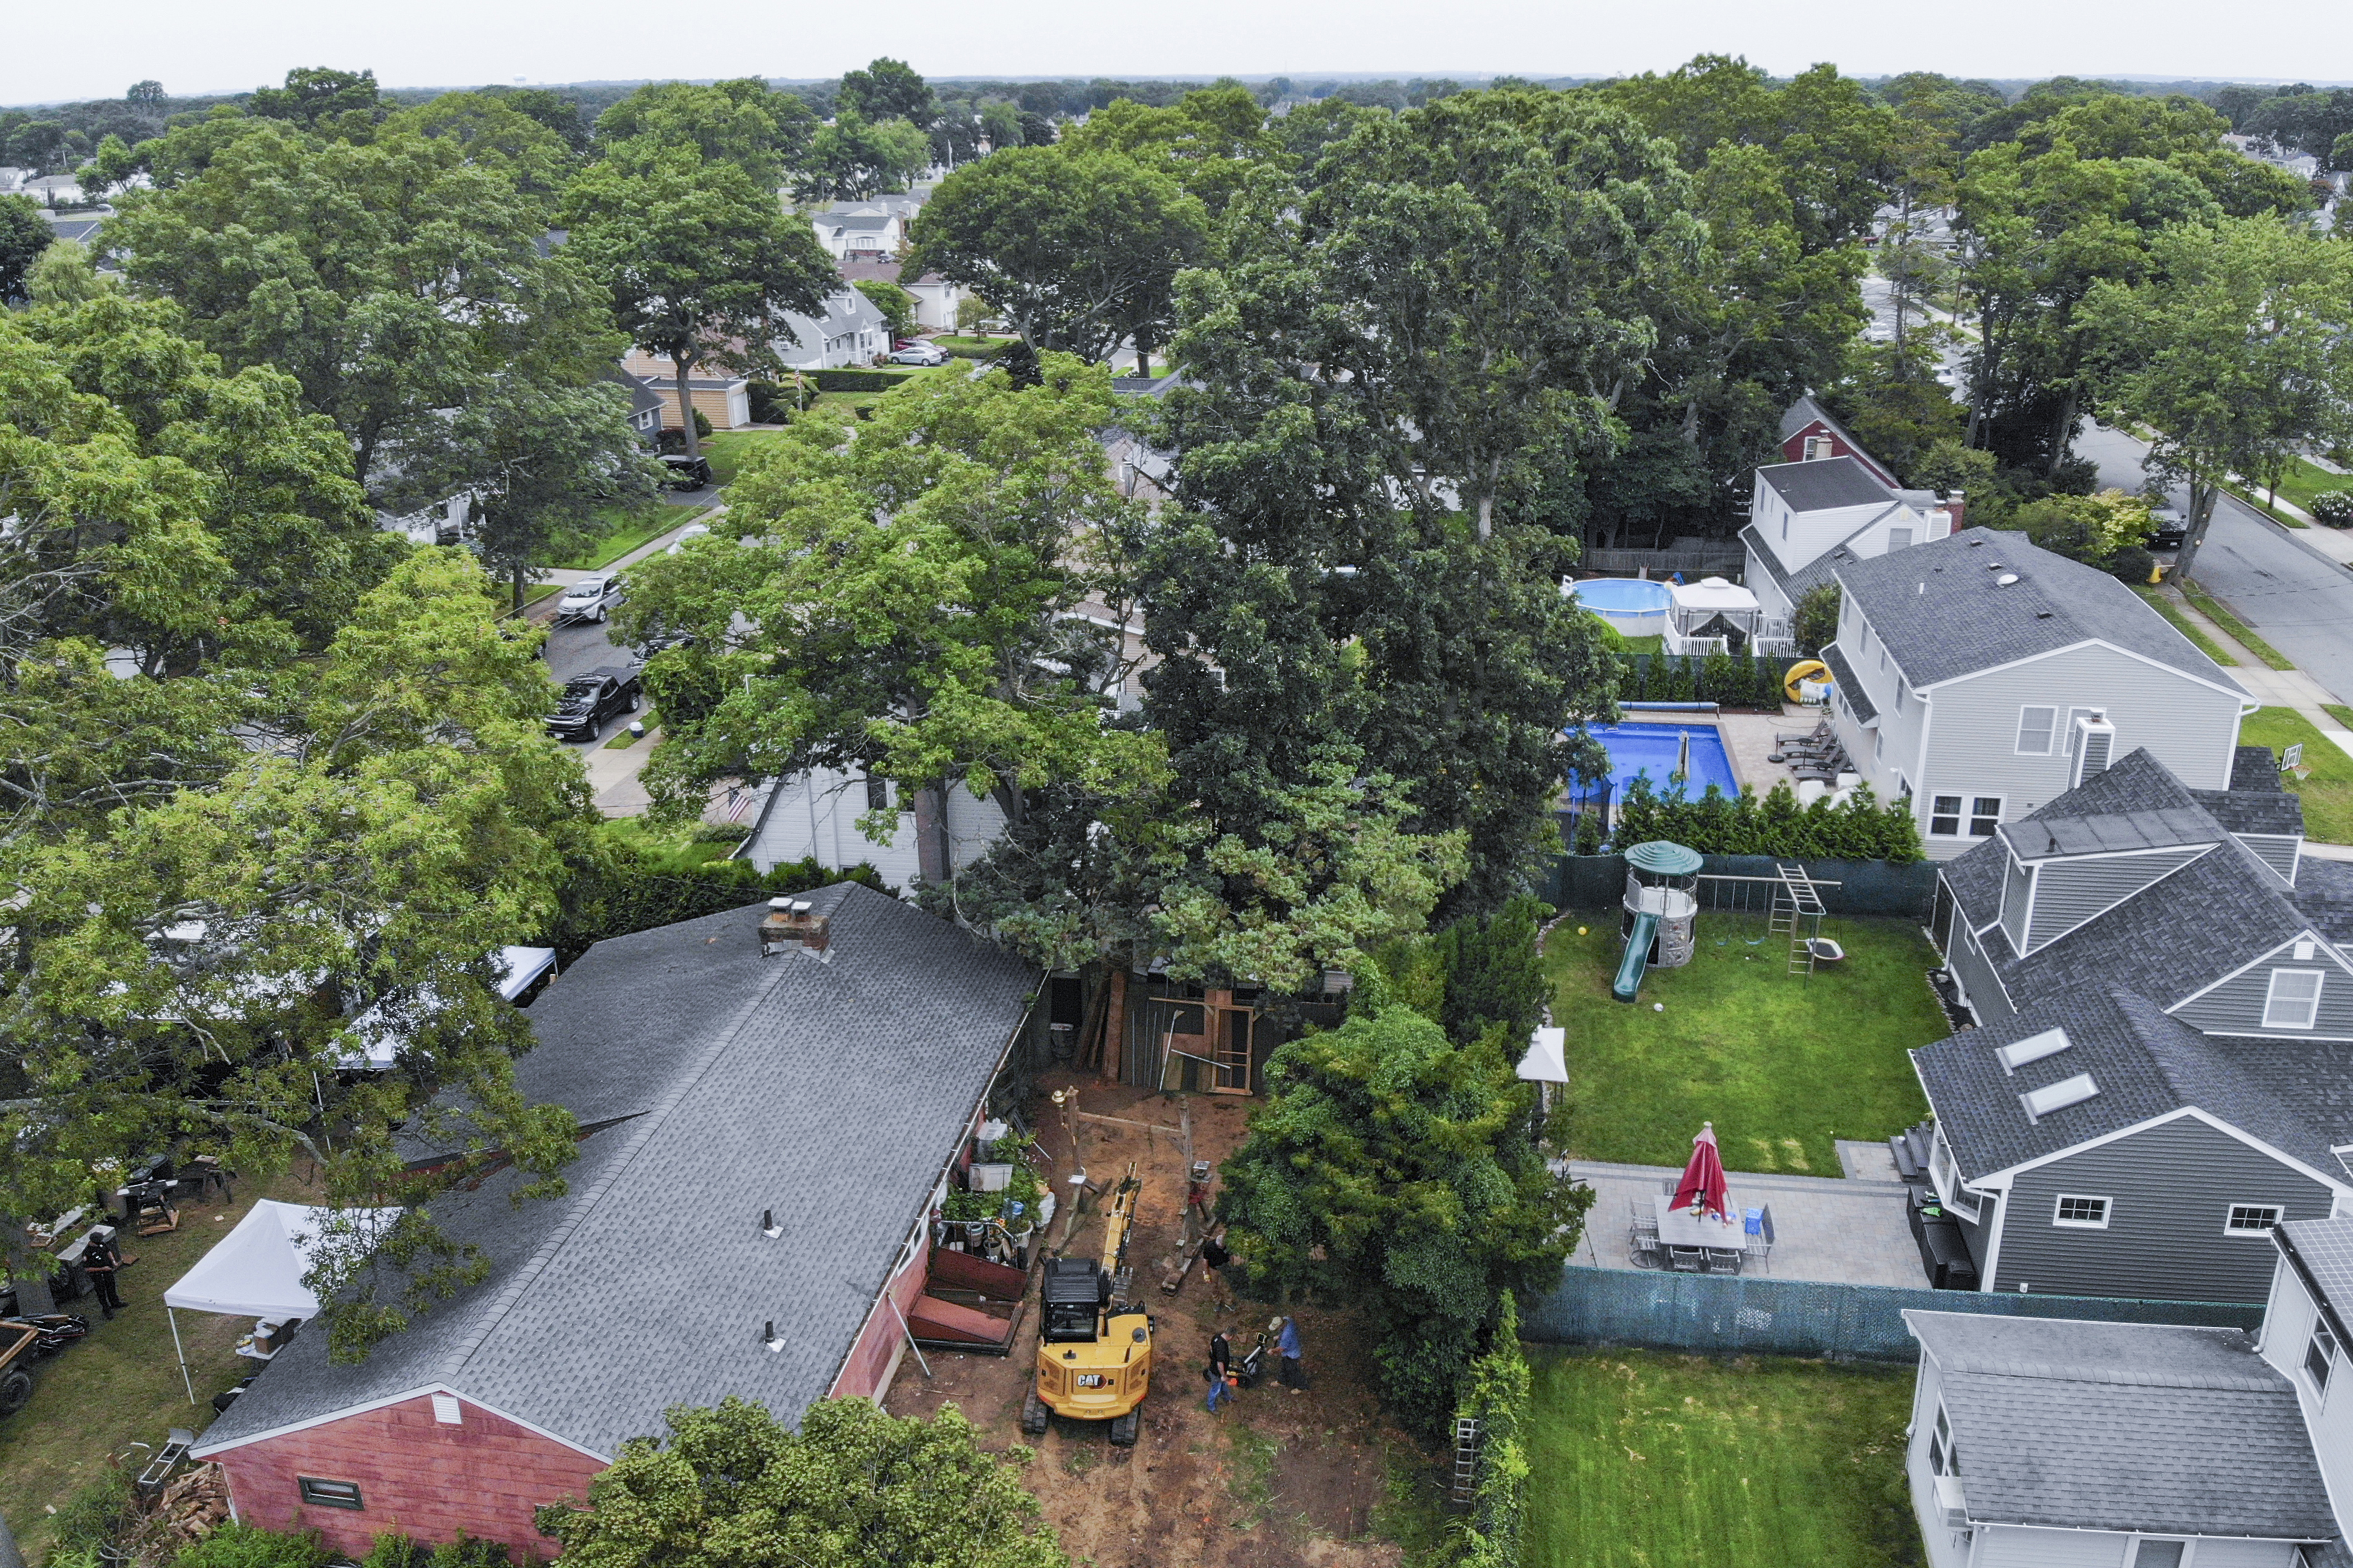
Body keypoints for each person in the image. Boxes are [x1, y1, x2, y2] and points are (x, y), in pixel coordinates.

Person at [83, 1227, 125, 1320]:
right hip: (98, 1276)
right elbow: (88, 1269)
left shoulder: (101, 1245)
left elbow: (108, 1251)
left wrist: (113, 1261)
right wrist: (102, 1269)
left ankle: (115, 1302)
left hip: (108, 1272)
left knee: (111, 1287)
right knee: (102, 1293)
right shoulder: (87, 1253)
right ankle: (107, 1310)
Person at [1200, 1227, 1232, 1311]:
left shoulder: (1227, 1246)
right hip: (1213, 1269)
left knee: (1227, 1287)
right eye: (1220, 1247)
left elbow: (1231, 1257)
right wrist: (1207, 1274)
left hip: (1224, 1269)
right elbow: (1205, 1261)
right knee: (1213, 1287)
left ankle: (1229, 1303)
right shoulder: (1210, 1247)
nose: (1222, 1247)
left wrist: (1232, 1267)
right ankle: (1218, 1303)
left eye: (1223, 1246)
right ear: (1218, 1244)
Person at [1275, 1314, 1306, 1394]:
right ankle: (1282, 1381)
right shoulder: (1288, 1320)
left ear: (1281, 1326)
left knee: (1294, 1371)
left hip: (1293, 1354)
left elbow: (1281, 1348)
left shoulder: (1287, 1335)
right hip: (1287, 1353)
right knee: (1284, 1367)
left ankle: (1301, 1387)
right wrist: (1279, 1337)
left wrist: (1272, 1351)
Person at [1205, 1330, 1234, 1413]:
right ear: (1231, 1336)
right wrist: (1223, 1376)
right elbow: (1220, 1364)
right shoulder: (1222, 1347)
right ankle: (1211, 1407)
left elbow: (1211, 1347)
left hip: (1215, 1368)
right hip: (1217, 1373)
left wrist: (1213, 1356)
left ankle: (1228, 1398)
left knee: (1224, 1385)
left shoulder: (1217, 1337)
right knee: (1215, 1390)